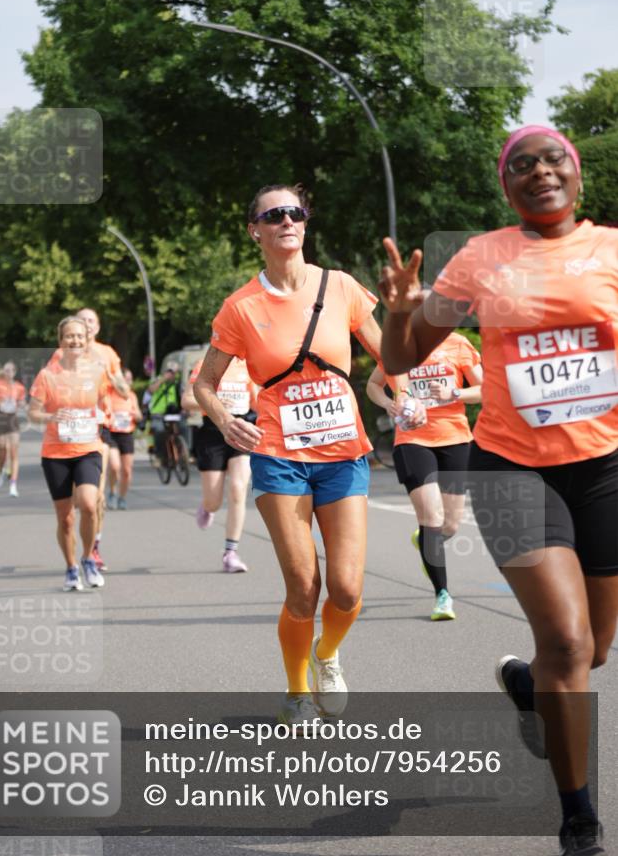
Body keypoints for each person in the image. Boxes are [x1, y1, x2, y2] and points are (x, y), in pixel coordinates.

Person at [379, 126, 617, 856]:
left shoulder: (611, 249)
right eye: (522, 165)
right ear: (504, 184)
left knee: (594, 649)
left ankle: (526, 684)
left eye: (553, 161)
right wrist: (399, 308)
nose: (539, 172)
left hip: (605, 466)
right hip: (512, 466)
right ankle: (578, 820)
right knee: (567, 641)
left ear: (575, 176)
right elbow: (401, 357)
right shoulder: (482, 259)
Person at [193, 183, 383, 726]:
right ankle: (298, 691)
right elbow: (204, 383)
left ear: (305, 222)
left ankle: (327, 656)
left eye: (295, 212)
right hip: (279, 454)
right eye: (273, 214)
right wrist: (226, 419)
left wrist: (404, 376)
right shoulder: (241, 307)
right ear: (255, 230)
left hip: (343, 452)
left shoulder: (341, 287)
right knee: (304, 586)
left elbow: (387, 354)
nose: (287, 221)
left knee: (345, 589)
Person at [367, 333, 482, 620]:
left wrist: (453, 393)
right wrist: (388, 403)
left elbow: (487, 389)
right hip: (412, 440)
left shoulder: (458, 344)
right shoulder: (398, 347)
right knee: (431, 518)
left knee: (451, 524)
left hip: (454, 437)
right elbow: (373, 384)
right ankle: (442, 595)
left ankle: (427, 540)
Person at [29, 316, 109, 591]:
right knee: (65, 518)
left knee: (88, 503)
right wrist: (51, 416)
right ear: (60, 341)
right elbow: (33, 412)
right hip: (55, 452)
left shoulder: (98, 371)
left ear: (87, 339)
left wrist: (102, 415)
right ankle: (71, 567)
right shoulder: (47, 375)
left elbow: (104, 403)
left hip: (88, 449)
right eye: (69, 336)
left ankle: (88, 558)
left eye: (79, 336)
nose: (75, 340)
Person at [182, 356, 258, 573]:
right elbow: (187, 400)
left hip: (241, 429)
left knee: (237, 489)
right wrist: (215, 404)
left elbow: (257, 401)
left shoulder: (249, 366)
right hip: (213, 433)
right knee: (214, 501)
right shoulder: (206, 363)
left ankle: (230, 553)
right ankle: (208, 507)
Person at [0, 361, 26, 497]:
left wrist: (20, 403)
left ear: (14, 372)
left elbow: (22, 401)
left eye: (11, 370)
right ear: (3, 372)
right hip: (0, 418)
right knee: (2, 450)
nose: (9, 373)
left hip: (12, 419)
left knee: (14, 453)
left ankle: (13, 485)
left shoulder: (19, 387)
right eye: (6, 370)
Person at [106, 368, 142, 510]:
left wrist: (133, 414)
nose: (128, 381)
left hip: (126, 434)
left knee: (126, 471)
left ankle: (122, 497)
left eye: (130, 379)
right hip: (111, 433)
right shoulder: (109, 393)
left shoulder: (131, 396)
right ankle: (112, 492)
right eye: (126, 378)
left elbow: (139, 415)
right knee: (115, 466)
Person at [147, 362, 182, 467]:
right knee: (159, 430)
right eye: (169, 372)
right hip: (158, 413)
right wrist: (163, 379)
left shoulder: (177, 383)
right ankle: (159, 455)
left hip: (173, 412)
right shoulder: (158, 380)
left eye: (174, 372)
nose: (171, 375)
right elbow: (151, 390)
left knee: (184, 427)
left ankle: (183, 454)